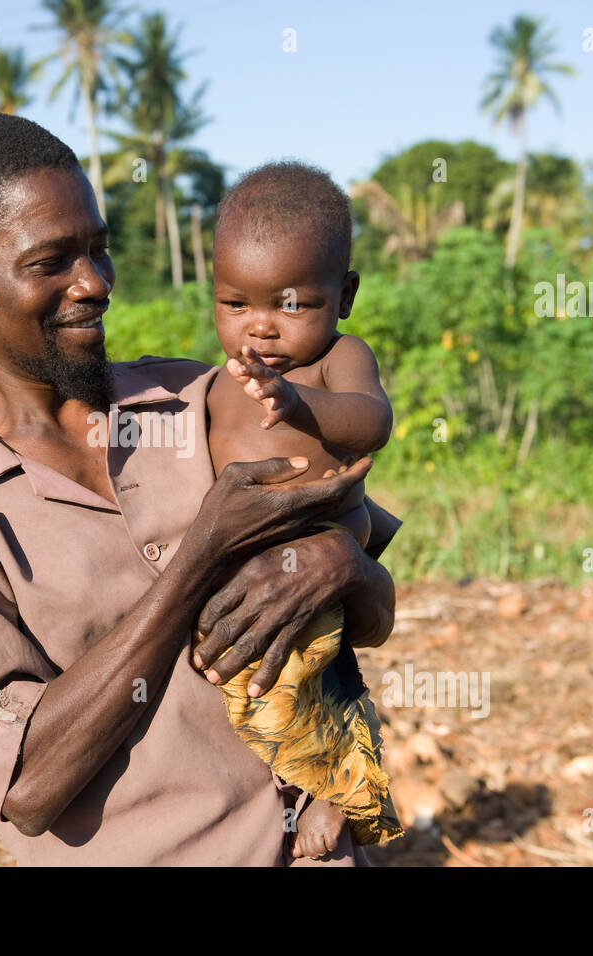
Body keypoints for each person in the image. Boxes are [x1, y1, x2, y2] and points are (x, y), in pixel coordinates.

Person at [0, 113, 401, 866]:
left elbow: (368, 613)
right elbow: (26, 784)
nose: (95, 283)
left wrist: (340, 567)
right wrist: (200, 558)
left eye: (99, 249)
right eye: (52, 262)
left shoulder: (199, 396)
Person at [203, 161, 404, 859]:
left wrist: (301, 404)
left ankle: (339, 791)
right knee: (255, 687)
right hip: (241, 563)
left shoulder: (337, 360)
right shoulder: (217, 381)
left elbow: (371, 420)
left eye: (290, 304)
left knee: (324, 673)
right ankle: (281, 784)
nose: (259, 327)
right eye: (235, 305)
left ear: (343, 294)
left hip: (318, 552)